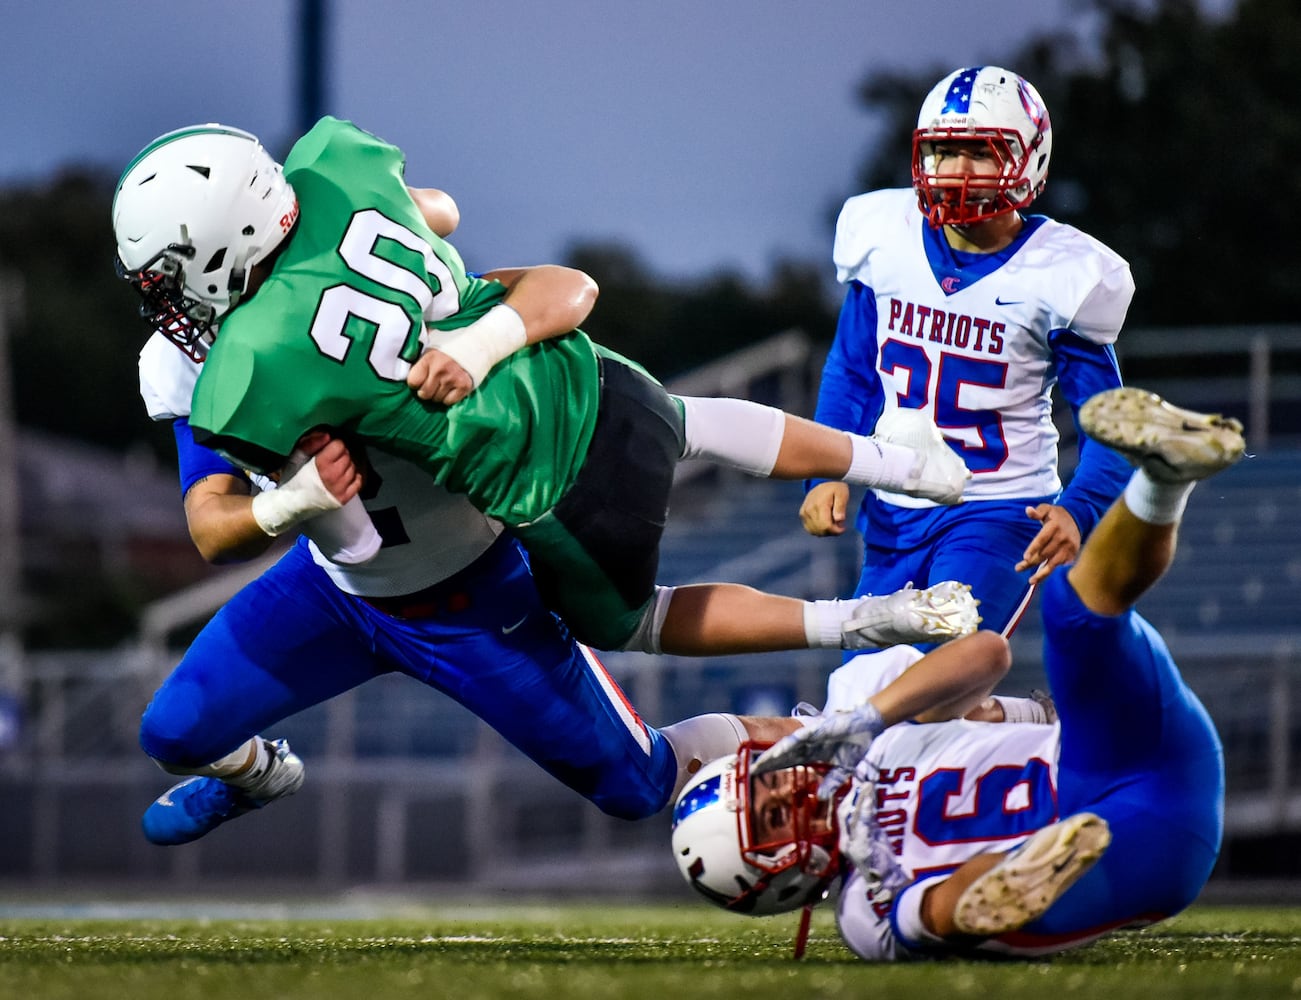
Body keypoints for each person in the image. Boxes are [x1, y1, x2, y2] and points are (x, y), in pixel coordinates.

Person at [132, 189, 974, 847]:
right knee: (172, 730)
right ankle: (257, 776)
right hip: (334, 588)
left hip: (476, 594)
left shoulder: (353, 263)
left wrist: (471, 334)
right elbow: (211, 524)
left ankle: (794, 731)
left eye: (171, 272)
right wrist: (287, 502)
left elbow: (466, 239)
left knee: (638, 785)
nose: (164, 304)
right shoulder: (196, 361)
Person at [111, 117, 975, 658]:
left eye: (169, 274)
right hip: (588, 376)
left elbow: (347, 544)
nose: (170, 298)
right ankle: (899, 463)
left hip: (545, 491)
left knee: (629, 626)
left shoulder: (246, 366)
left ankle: (865, 620)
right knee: (697, 422)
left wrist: (291, 500)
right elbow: (443, 214)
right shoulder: (339, 167)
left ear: (225, 242)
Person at [672, 387, 1243, 960]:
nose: (794, 788)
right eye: (774, 814)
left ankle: (1165, 476)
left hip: (1111, 751)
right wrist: (878, 863)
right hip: (1140, 844)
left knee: (1071, 607)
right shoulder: (862, 913)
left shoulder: (860, 703)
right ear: (779, 880)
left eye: (769, 779)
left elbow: (988, 654)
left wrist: (870, 719)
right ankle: (1034, 860)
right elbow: (944, 909)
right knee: (934, 912)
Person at [801, 65, 1136, 648]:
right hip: (893, 503)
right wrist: (829, 468)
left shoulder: (1059, 271)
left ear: (1027, 159)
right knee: (866, 689)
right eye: (945, 152)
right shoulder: (887, 235)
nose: (957, 172)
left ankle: (1008, 720)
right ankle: (1022, 721)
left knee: (939, 671)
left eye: (980, 153)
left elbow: (1110, 424)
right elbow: (853, 373)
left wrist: (1079, 509)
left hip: (998, 509)